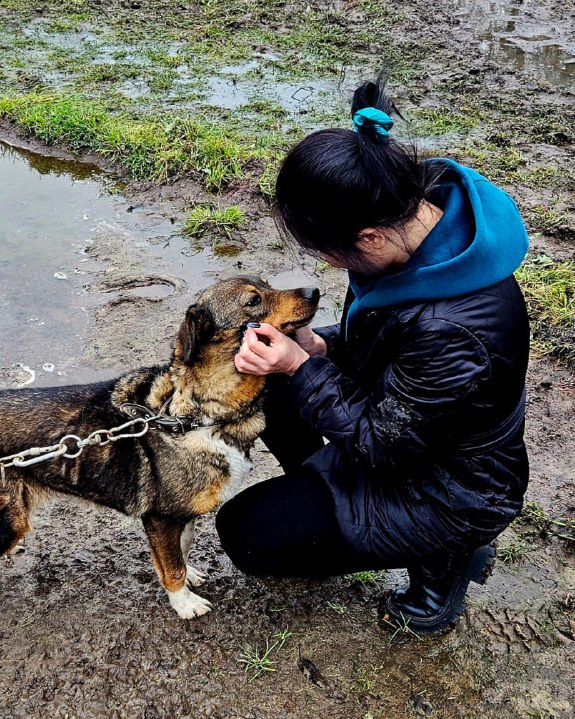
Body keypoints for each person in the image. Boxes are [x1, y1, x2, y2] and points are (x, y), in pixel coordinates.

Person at [215, 74, 530, 634]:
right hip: (413, 427)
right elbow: (384, 341)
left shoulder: (453, 329)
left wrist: (300, 365)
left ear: (369, 239)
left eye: (326, 252)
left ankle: (446, 564)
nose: (329, 266)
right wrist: (317, 346)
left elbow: (388, 445)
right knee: (275, 380)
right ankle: (319, 488)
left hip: (452, 486)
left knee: (247, 535)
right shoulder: (412, 215)